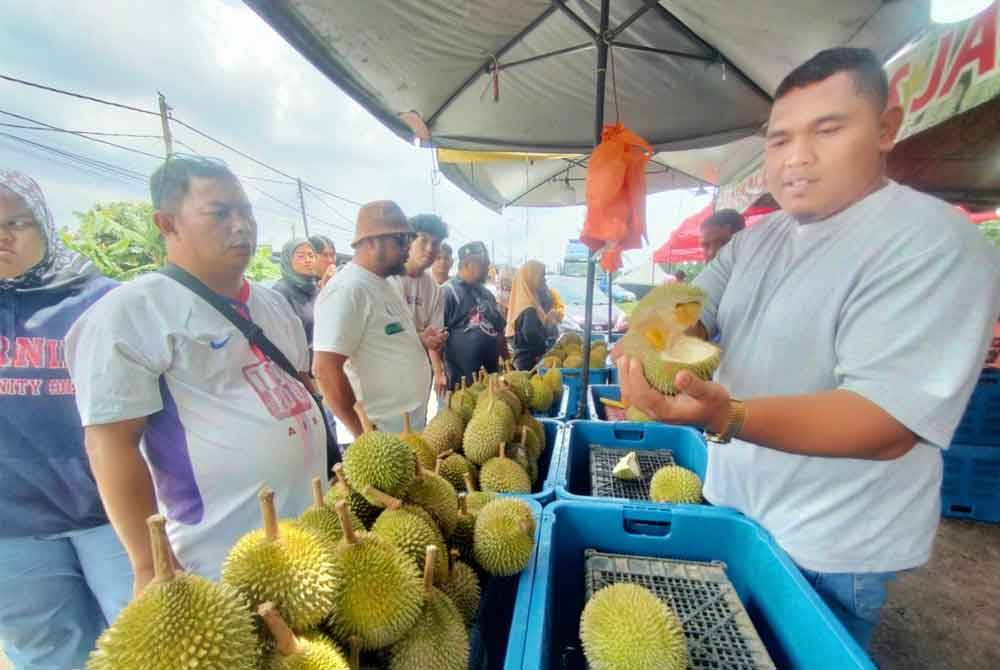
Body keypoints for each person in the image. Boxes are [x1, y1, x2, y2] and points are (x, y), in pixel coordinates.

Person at [614, 47, 1000, 649]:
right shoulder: (757, 242)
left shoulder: (932, 243)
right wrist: (650, 343)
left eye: (828, 129)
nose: (797, 157)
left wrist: (725, 413)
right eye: (779, 140)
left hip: (831, 547)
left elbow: (886, 420)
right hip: (731, 512)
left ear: (885, 130)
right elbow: (684, 312)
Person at [66, 156, 326, 587]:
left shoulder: (274, 306)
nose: (241, 225)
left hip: (310, 537)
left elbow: (299, 383)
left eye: (246, 211)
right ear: (167, 223)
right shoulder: (130, 314)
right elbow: (110, 444)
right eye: (220, 213)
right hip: (216, 559)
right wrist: (151, 564)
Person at [0, 171, 132, 669]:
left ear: (46, 227)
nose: (2, 236)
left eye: (17, 222)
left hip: (108, 511)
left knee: (145, 643)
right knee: (50, 655)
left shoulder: (101, 300)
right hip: (10, 526)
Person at [313, 201, 444, 437]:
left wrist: (419, 341)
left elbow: (382, 340)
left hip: (406, 431)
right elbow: (325, 369)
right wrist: (363, 434)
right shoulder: (348, 289)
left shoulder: (384, 283)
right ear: (372, 241)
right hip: (380, 440)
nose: (408, 247)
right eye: (401, 240)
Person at [388, 213, 449, 396]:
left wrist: (438, 371)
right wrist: (420, 336)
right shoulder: (388, 280)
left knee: (417, 424)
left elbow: (432, 334)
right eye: (423, 240)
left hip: (418, 377)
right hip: (385, 378)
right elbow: (386, 330)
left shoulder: (434, 289)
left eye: (436, 243)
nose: (430, 249)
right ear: (409, 241)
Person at [442, 241, 507, 387]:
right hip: (461, 384)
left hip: (490, 380)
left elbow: (499, 332)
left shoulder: (487, 294)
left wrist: (507, 360)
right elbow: (436, 337)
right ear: (468, 264)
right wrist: (439, 373)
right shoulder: (448, 293)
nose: (487, 268)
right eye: (484, 263)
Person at [272, 238, 318, 347]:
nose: (308, 260)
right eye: (301, 256)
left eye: (311, 256)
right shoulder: (280, 292)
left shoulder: (315, 289)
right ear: (288, 260)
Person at [506, 260, 551, 370]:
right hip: (528, 362)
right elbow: (530, 332)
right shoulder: (528, 306)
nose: (544, 279)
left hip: (522, 359)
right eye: (541, 275)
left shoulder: (525, 299)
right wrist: (544, 348)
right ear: (531, 277)